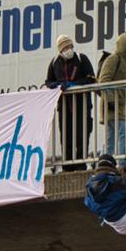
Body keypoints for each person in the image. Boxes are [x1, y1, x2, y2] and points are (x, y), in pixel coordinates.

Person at [45, 34, 97, 171]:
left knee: (82, 134)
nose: (69, 49)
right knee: (66, 136)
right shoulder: (54, 63)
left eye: (70, 46)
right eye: (65, 47)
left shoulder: (81, 58)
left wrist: (74, 85)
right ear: (60, 50)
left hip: (82, 105)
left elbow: (91, 78)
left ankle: (81, 163)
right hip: (64, 107)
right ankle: (67, 165)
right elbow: (48, 81)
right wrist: (56, 85)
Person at [97, 33, 126, 156]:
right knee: (121, 133)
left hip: (124, 105)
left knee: (113, 136)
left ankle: (107, 162)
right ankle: (121, 162)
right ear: (123, 45)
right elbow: (103, 80)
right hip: (112, 104)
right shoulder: (114, 59)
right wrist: (110, 101)